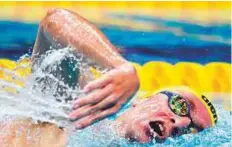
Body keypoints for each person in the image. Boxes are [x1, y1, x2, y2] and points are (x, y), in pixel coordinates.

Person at [0, 8, 217, 146]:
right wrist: (122, 68)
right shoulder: (75, 107)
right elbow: (55, 22)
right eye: (180, 105)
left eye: (192, 129)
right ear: (144, 99)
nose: (179, 123)